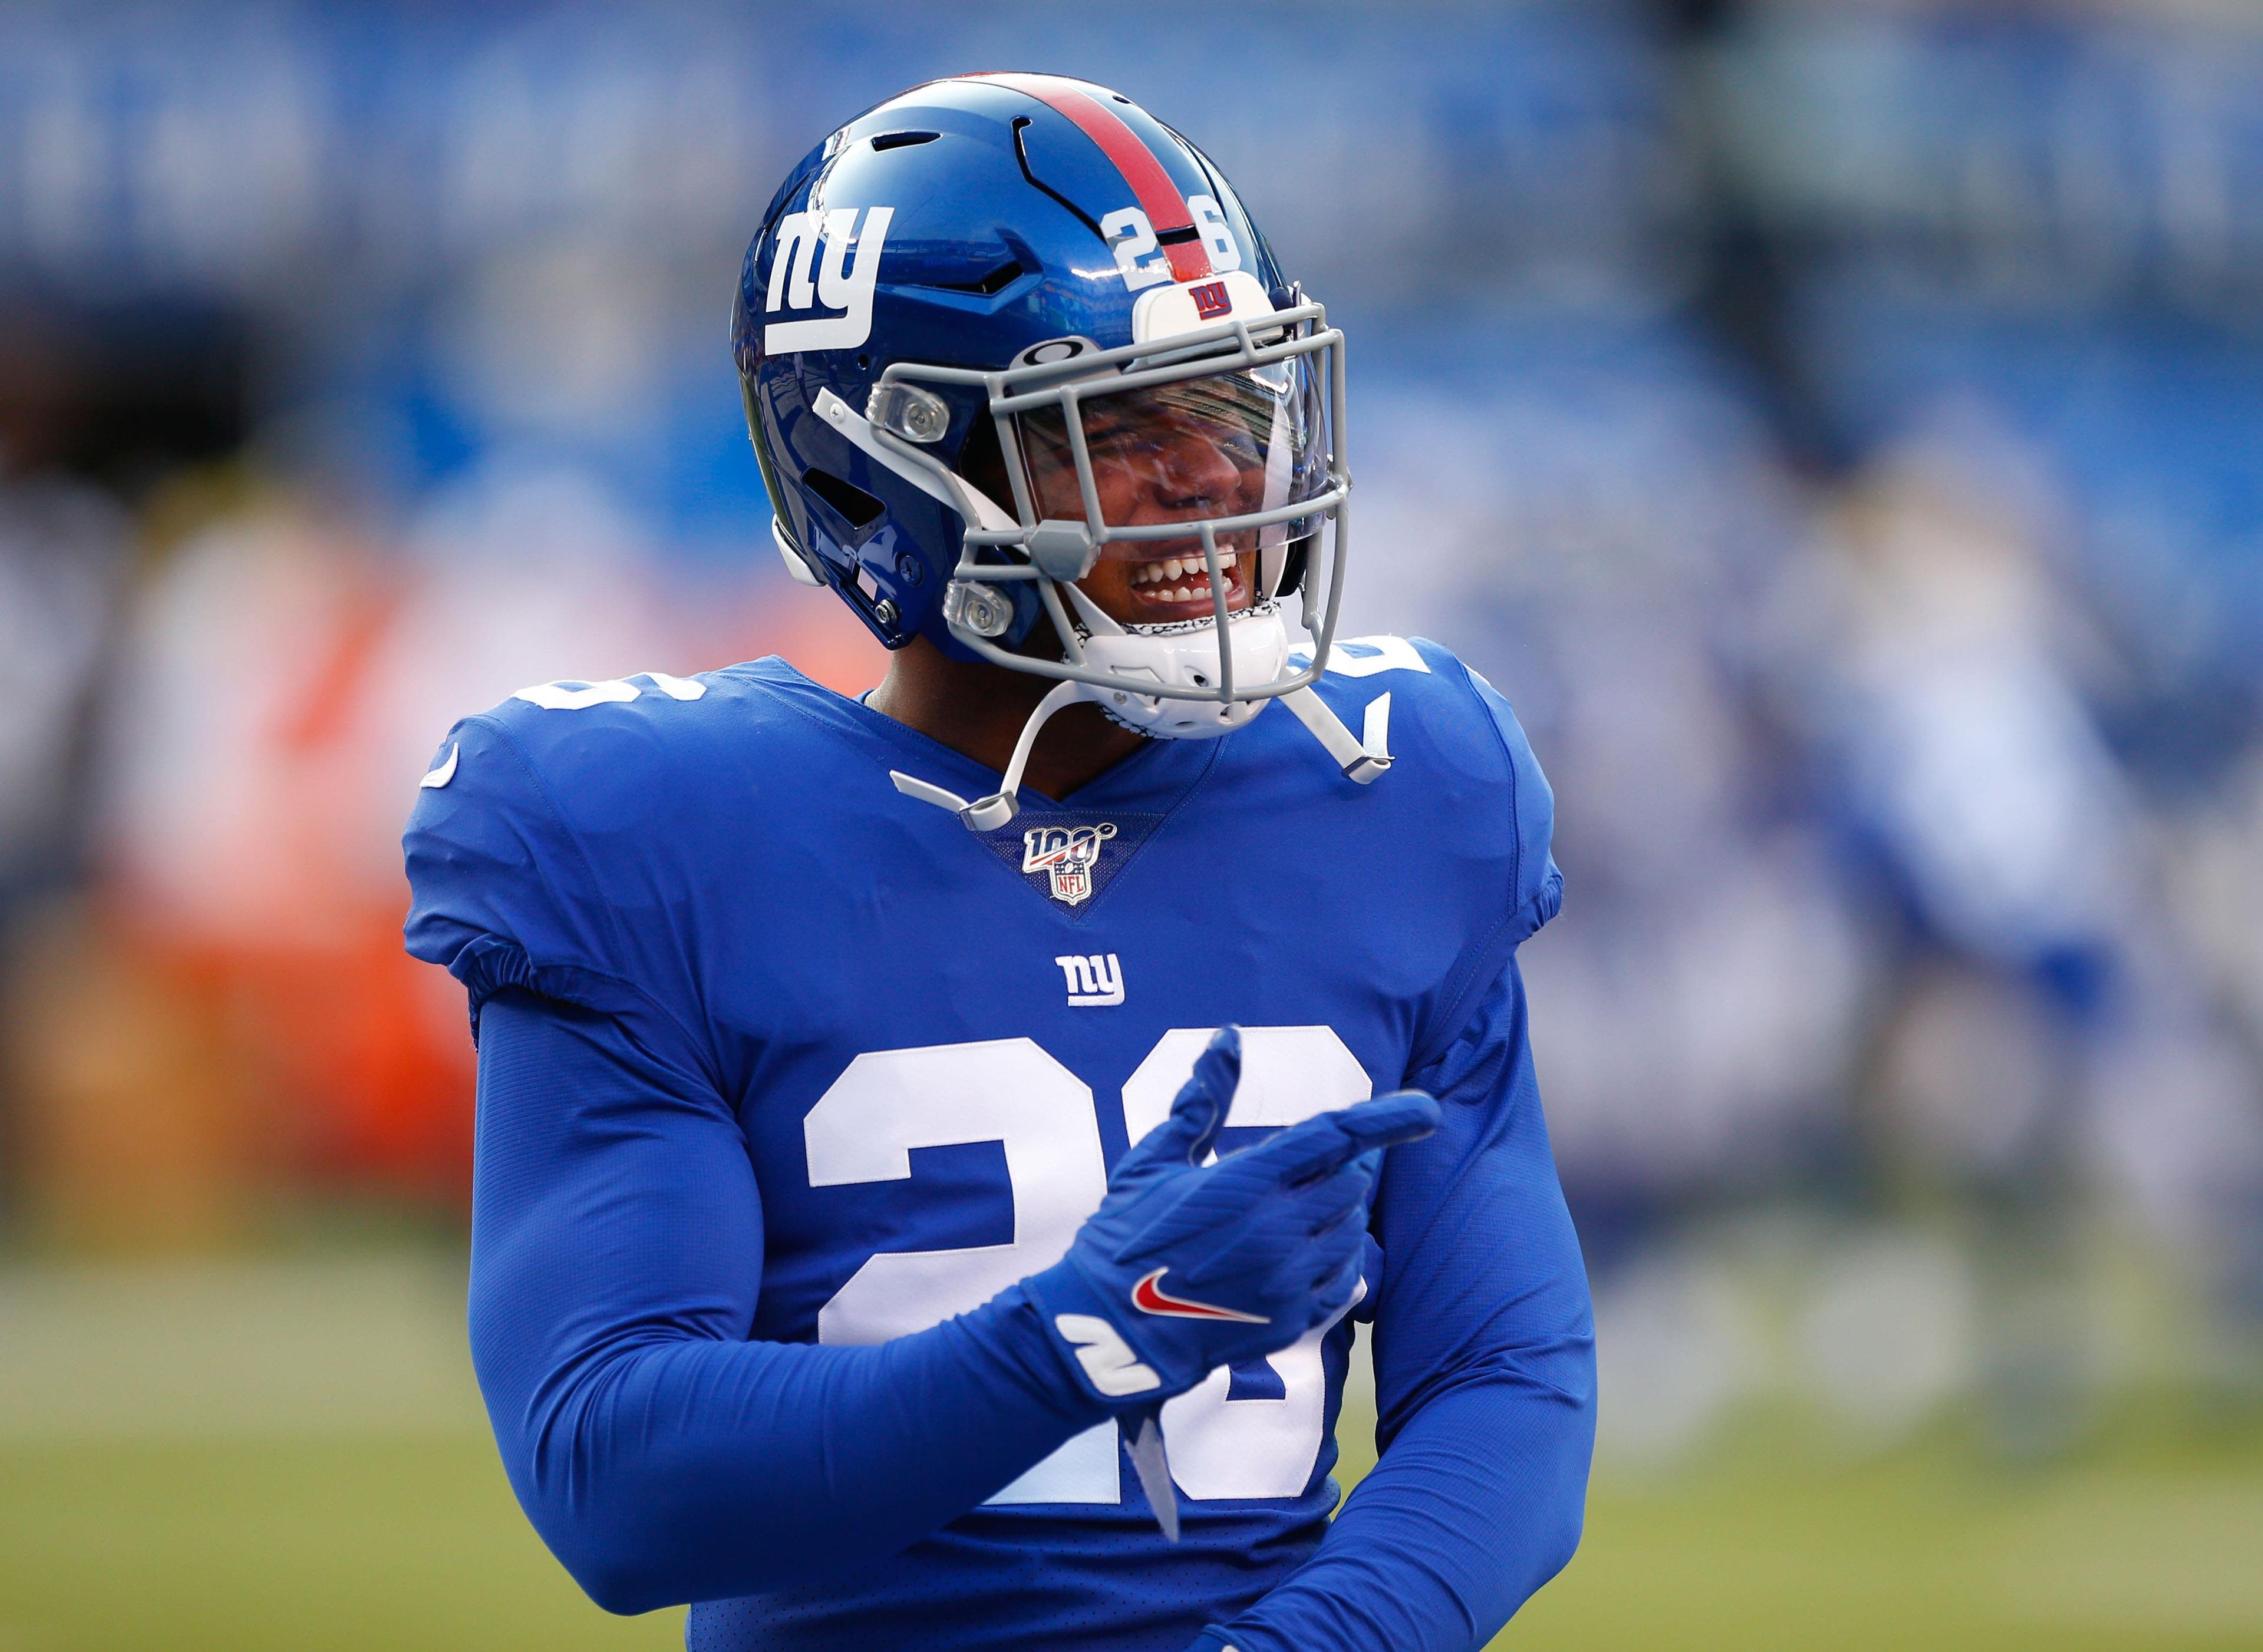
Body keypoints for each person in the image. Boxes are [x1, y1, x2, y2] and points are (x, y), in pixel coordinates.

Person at [403, 72, 1594, 1652]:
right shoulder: (655, 831)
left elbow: (1510, 1375)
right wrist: (1082, 1338)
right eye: (1125, 428)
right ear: (883, 475)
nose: (1224, 479)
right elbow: (613, 1468)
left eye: (1234, 407)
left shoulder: (1395, 782)